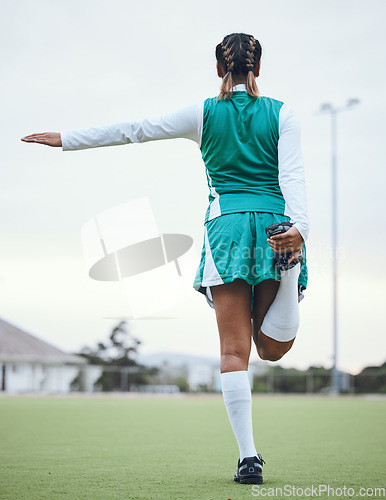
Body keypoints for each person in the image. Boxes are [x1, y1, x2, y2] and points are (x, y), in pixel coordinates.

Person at [22, 32, 309, 485]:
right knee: (271, 350)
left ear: (219, 68)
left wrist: (68, 139)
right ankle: (289, 274)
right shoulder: (283, 112)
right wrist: (300, 232)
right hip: (276, 227)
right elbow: (292, 176)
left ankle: (248, 457)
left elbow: (136, 129)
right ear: (259, 68)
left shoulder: (201, 113)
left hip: (227, 227)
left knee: (233, 352)